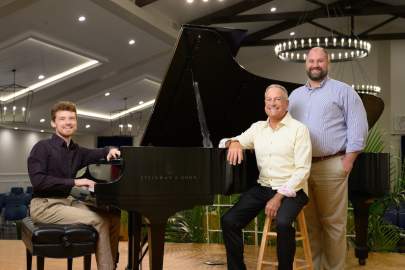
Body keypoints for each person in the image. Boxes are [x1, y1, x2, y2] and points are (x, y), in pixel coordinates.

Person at [288, 47, 368, 270]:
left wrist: (348, 161)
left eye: (320, 60)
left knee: (333, 224)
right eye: (311, 60)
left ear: (328, 63)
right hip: (303, 168)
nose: (315, 64)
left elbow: (358, 127)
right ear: (306, 64)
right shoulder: (295, 96)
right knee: (310, 225)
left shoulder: (343, 91)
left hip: (332, 165)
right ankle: (314, 266)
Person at [220, 84, 312, 270]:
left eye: (277, 99)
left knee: (284, 222)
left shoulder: (299, 129)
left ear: (286, 104)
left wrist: (278, 197)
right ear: (264, 104)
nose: (272, 103)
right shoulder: (258, 128)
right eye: (268, 99)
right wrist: (234, 142)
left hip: (293, 190)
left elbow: (303, 170)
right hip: (263, 188)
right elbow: (223, 142)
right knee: (229, 220)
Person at [27, 101, 122, 270]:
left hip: (66, 203)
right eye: (62, 118)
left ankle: (110, 265)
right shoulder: (41, 148)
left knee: (113, 218)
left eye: (72, 118)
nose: (68, 122)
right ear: (53, 123)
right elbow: (39, 181)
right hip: (44, 206)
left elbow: (98, 152)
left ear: (76, 122)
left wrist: (110, 149)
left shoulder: (76, 150)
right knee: (99, 220)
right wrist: (75, 182)